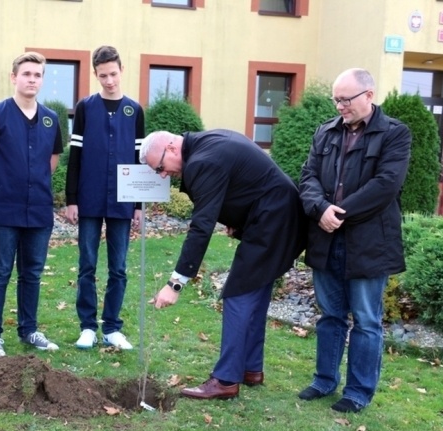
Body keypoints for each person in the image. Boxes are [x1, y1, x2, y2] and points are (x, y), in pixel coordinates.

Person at [141, 129, 306, 400]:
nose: (162, 174)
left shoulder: (201, 161)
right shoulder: (207, 142)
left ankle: (226, 379)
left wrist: (175, 284)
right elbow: (242, 185)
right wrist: (237, 220)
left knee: (238, 295)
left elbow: (201, 228)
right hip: (279, 215)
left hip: (274, 221)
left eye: (159, 167)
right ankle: (251, 369)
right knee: (255, 291)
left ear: (170, 148)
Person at [297, 68, 411, 413]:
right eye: (336, 99)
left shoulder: (395, 134)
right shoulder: (326, 132)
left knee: (365, 319)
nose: (340, 106)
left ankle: (358, 391)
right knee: (330, 314)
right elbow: (308, 176)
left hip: (368, 242)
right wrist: (320, 209)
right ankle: (324, 380)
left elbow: (386, 185)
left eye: (345, 99)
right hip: (326, 237)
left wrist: (338, 212)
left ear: (369, 96)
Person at [0, 52, 64, 357]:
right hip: (3, 210)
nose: (31, 79)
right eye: (26, 74)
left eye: (37, 75)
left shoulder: (51, 119)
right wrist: (0, 185)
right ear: (14, 77)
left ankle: (29, 329)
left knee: (32, 273)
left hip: (38, 210)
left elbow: (51, 162)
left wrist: (30, 184)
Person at [65, 45, 145, 351]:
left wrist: (138, 206)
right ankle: (87, 326)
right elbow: (76, 155)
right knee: (87, 264)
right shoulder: (85, 107)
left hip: (122, 201)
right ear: (95, 75)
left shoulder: (134, 110)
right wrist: (72, 198)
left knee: (119, 267)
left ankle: (112, 327)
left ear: (121, 70)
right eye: (102, 76)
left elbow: (140, 159)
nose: (109, 81)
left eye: (113, 74)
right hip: (89, 198)